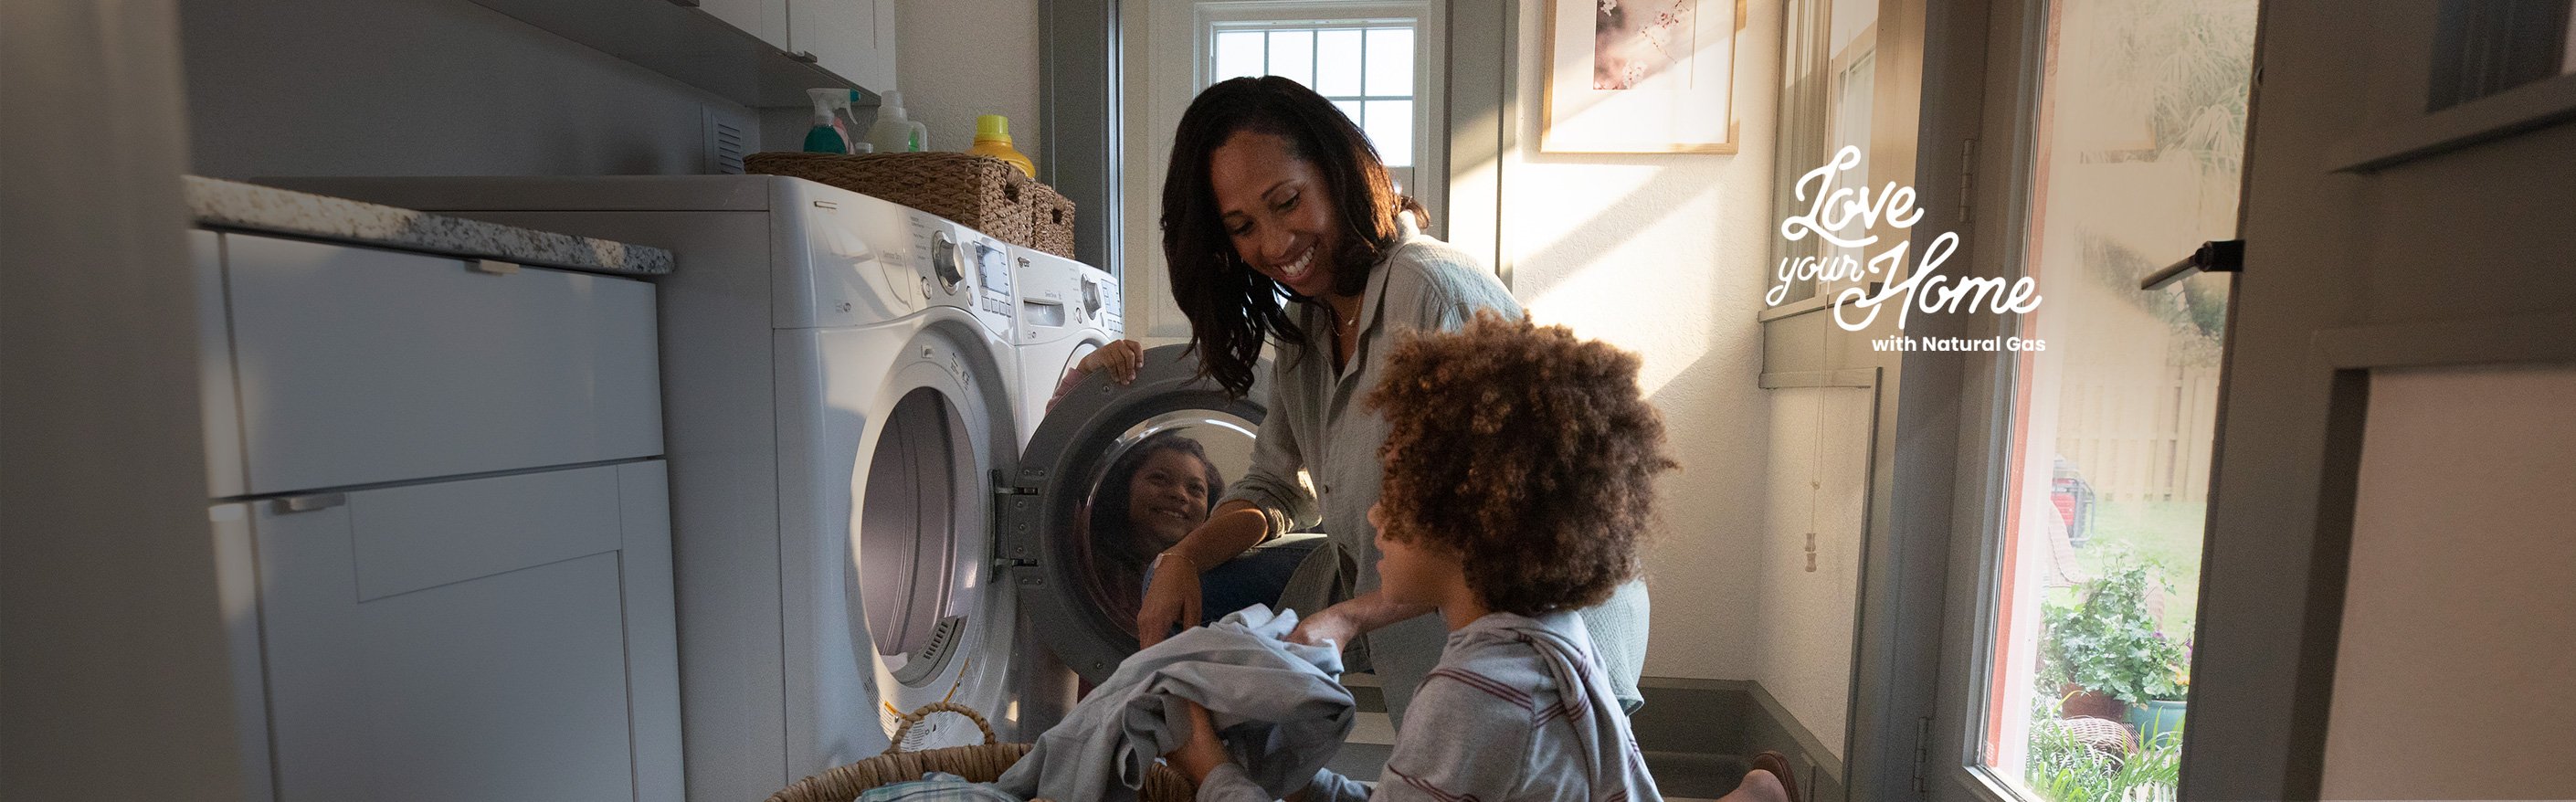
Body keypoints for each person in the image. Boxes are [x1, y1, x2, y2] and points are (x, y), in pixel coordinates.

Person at [1137, 75, 1652, 723]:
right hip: (1396, 591)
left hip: (1530, 616)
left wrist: (1350, 615)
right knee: (1195, 594)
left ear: (1340, 173)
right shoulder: (1308, 329)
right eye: (1242, 226)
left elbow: (1520, 526)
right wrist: (1183, 556)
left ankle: (1755, 789)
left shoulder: (1434, 293)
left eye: (1287, 201)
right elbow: (1275, 487)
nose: (1272, 245)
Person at [1161, 314, 1794, 802]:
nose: (1375, 516)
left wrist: (1212, 772)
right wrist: (1303, 785)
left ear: (1465, 525)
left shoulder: (1474, 695)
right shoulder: (1546, 636)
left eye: (1397, 496)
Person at [1082, 431, 1225, 633]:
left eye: (1195, 489)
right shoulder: (1084, 563)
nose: (1179, 494)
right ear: (1125, 488)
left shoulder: (1220, 584)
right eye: (1160, 479)